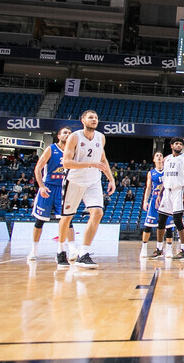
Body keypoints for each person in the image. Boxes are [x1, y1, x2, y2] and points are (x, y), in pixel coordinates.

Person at [57, 110, 116, 269]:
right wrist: (90, 164)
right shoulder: (74, 137)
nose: (94, 119)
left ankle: (84, 253)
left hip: (93, 180)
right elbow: (67, 163)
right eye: (91, 117)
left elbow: (103, 159)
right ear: (83, 120)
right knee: (67, 217)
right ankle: (61, 250)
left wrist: (111, 178)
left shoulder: (100, 137)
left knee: (97, 213)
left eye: (96, 117)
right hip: (75, 180)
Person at [29, 127, 73, 261]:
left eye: (70, 133)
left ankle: (72, 250)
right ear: (59, 136)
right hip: (48, 187)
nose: (68, 135)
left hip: (63, 189)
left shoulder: (73, 151)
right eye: (65, 132)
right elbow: (38, 168)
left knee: (67, 220)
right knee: (40, 220)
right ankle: (34, 250)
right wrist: (41, 186)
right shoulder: (51, 149)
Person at [157, 138, 184, 260]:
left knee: (177, 220)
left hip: (179, 190)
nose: (178, 145)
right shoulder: (166, 159)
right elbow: (165, 177)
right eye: (176, 144)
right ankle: (159, 249)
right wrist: (160, 193)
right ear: (171, 145)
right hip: (167, 190)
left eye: (180, 144)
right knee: (161, 219)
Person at [140, 152, 175, 259]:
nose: (159, 157)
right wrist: (145, 201)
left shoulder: (168, 171)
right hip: (155, 201)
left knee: (169, 226)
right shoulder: (151, 173)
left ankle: (168, 249)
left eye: (160, 155)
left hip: (167, 200)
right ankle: (144, 248)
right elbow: (148, 188)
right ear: (154, 159)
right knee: (148, 226)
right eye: (157, 156)